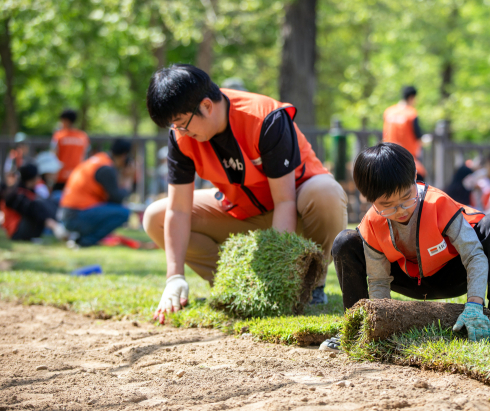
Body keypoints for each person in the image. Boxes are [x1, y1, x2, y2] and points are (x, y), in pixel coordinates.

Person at [143, 64, 348, 323]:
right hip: (243, 212)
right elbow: (178, 209)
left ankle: (312, 283)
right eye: (175, 127)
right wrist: (174, 277)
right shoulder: (180, 136)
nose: (180, 133)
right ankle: (237, 284)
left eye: (183, 124)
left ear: (206, 106)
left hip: (295, 211)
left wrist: (275, 268)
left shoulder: (265, 117)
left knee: (326, 191)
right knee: (155, 217)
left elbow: (285, 200)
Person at [322, 143, 490, 351]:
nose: (401, 210)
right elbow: (378, 280)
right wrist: (382, 321)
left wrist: (474, 306)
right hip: (408, 279)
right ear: (367, 198)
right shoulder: (371, 223)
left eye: (407, 197)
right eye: (388, 205)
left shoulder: (438, 204)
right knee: (345, 241)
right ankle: (356, 327)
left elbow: (474, 256)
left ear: (414, 178)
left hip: (453, 274)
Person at [58, 139, 133, 248]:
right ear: (124, 156)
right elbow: (117, 199)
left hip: (68, 214)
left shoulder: (99, 160)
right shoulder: (106, 169)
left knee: (117, 210)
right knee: (123, 213)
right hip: (76, 216)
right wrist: (127, 180)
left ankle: (77, 236)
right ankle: (86, 241)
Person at [1, 164, 67, 241]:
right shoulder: (16, 194)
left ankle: (60, 224)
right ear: (32, 178)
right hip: (16, 231)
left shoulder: (29, 191)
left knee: (46, 202)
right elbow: (31, 209)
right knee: (37, 205)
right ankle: (57, 226)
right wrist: (53, 225)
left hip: (23, 228)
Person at [382, 86, 427, 181]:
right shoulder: (411, 114)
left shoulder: (388, 111)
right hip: (407, 158)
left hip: (387, 156)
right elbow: (418, 137)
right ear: (412, 97)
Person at [51, 109, 90, 191]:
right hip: (77, 176)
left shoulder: (58, 136)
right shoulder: (83, 137)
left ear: (66, 121)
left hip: (60, 177)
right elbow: (85, 157)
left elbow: (53, 155)